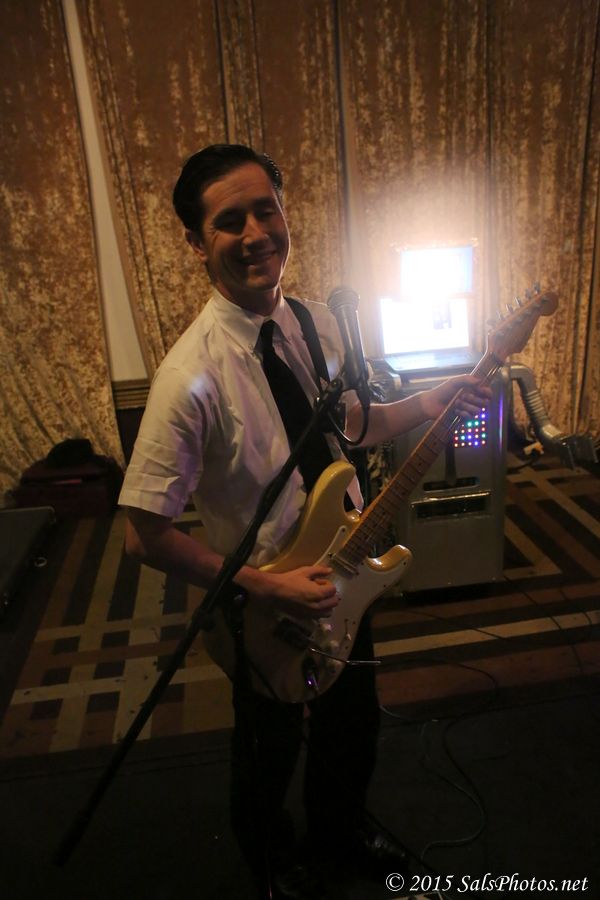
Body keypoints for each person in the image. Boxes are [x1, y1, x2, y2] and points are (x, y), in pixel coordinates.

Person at [120, 143, 491, 900]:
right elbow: (143, 532)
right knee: (269, 750)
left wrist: (430, 402)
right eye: (230, 221)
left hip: (347, 566)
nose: (256, 233)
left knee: (353, 723)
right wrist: (265, 586)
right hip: (264, 603)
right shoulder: (189, 374)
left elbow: (349, 426)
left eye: (267, 210)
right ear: (196, 243)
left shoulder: (316, 323)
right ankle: (272, 865)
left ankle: (340, 835)